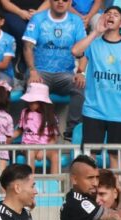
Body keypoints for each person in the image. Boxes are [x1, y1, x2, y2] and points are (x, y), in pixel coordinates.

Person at [73, 7, 121, 168]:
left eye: (116, 15)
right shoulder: (94, 43)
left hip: (120, 111)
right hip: (94, 109)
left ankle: (116, 191)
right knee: (89, 155)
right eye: (108, 14)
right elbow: (76, 51)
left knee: (115, 154)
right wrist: (95, 32)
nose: (111, 16)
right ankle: (87, 191)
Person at [23, 0, 87, 141]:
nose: (60, 2)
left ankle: (71, 130)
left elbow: (83, 51)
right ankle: (31, 131)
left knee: (80, 84)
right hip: (40, 72)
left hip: (65, 74)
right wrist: (32, 70)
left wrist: (80, 72)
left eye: (64, 0)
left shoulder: (76, 21)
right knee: (33, 86)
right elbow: (27, 47)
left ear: (70, 2)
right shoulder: (38, 18)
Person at [14, 82, 60, 174]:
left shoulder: (51, 116)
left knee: (56, 156)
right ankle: (31, 182)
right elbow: (19, 130)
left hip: (46, 147)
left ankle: (55, 184)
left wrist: (44, 150)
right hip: (28, 145)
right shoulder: (25, 112)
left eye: (33, 101)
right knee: (30, 153)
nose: (30, 103)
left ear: (42, 102)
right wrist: (7, 138)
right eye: (29, 101)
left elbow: (54, 139)